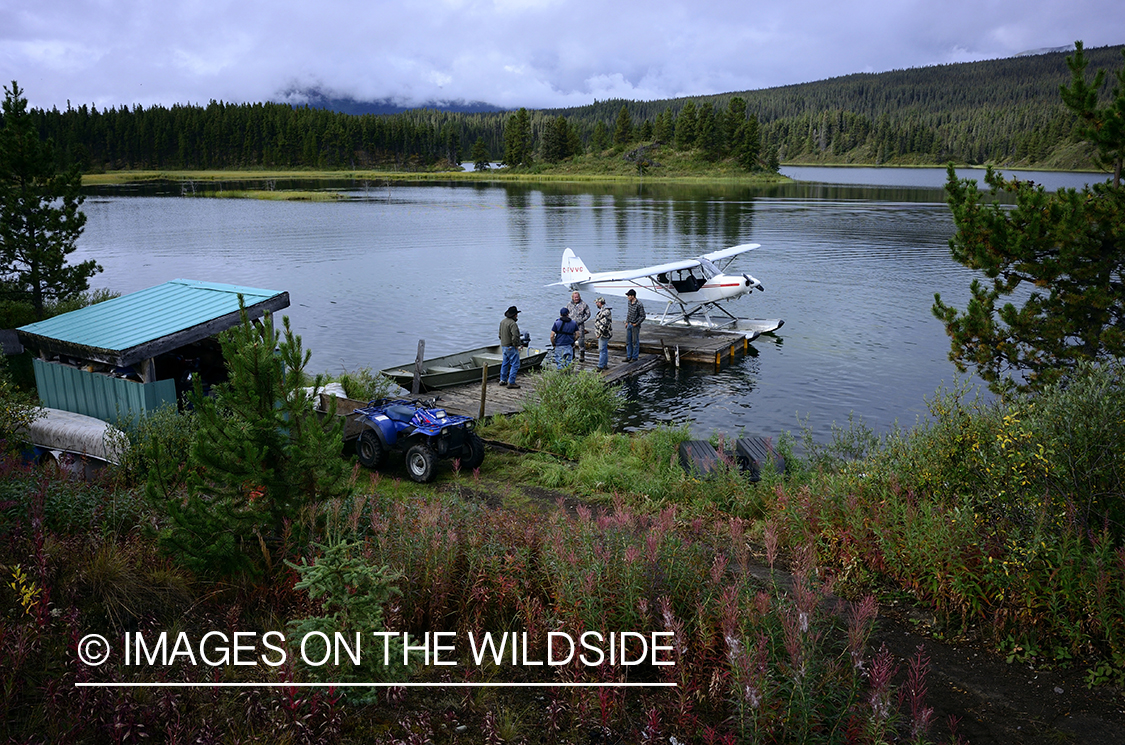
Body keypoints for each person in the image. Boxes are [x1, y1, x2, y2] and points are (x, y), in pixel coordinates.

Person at [498, 305, 523, 388]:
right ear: (514, 315)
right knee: (515, 364)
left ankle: (503, 380)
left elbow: (500, 335)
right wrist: (516, 345)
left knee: (505, 363)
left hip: (504, 346)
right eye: (516, 314)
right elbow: (515, 336)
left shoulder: (502, 322)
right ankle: (511, 382)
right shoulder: (513, 324)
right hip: (511, 346)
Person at [567, 290, 591, 362]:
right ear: (572, 297)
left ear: (579, 297)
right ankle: (572, 355)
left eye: (577, 297)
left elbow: (588, 314)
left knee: (581, 340)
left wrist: (582, 320)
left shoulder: (584, 304)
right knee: (571, 339)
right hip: (571, 325)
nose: (576, 298)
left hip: (580, 325)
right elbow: (566, 313)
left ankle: (582, 354)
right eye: (575, 297)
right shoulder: (569, 304)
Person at [624, 289, 646, 361]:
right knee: (628, 341)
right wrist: (627, 322)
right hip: (629, 324)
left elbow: (643, 316)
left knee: (635, 342)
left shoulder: (639, 304)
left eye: (628, 296)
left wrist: (636, 323)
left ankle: (635, 357)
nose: (627, 297)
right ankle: (628, 356)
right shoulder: (629, 302)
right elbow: (629, 313)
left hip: (635, 325)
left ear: (632, 296)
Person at [592, 297, 612, 371]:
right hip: (604, 333)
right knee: (604, 349)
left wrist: (599, 333)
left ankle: (600, 366)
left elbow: (604, 324)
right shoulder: (604, 311)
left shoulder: (605, 312)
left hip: (604, 334)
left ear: (600, 303)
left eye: (597, 303)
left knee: (602, 349)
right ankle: (604, 364)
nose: (596, 304)